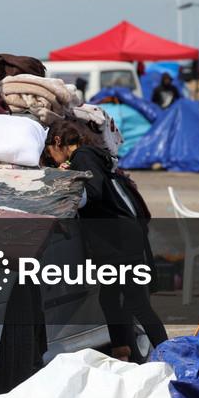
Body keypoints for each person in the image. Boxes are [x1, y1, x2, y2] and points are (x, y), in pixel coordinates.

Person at [43, 120, 168, 362]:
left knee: (136, 302)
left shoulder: (84, 156)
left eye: (49, 154)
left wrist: (64, 189)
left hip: (118, 241)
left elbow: (95, 191)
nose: (51, 159)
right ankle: (122, 352)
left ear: (57, 142)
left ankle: (171, 356)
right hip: (118, 239)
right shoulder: (93, 156)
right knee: (110, 299)